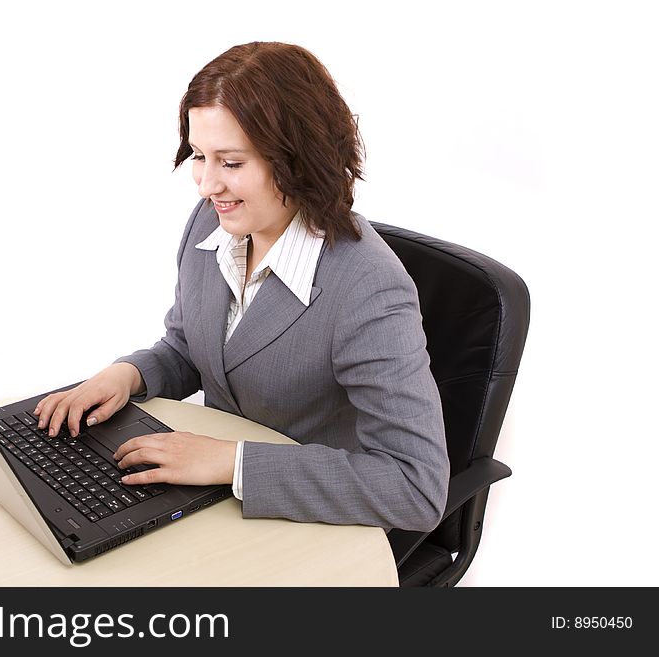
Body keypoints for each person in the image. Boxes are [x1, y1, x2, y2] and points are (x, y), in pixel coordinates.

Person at [35, 42, 449, 532]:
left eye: (231, 163)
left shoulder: (368, 288)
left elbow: (415, 487)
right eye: (198, 156)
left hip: (311, 522)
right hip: (213, 504)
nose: (207, 185)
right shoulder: (213, 224)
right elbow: (192, 347)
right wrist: (126, 375)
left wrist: (232, 463)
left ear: (300, 159)